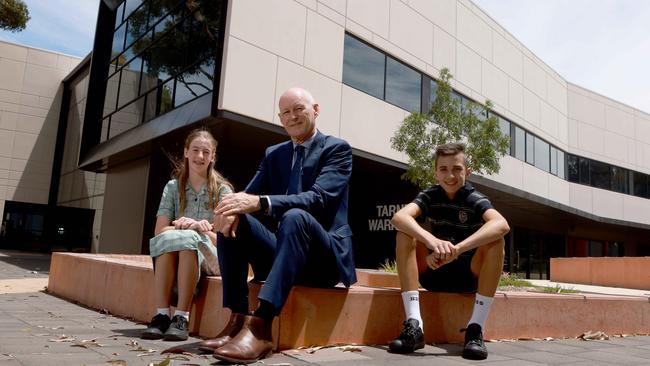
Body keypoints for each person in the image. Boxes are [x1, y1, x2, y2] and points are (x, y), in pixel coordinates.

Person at [199, 87, 356, 363]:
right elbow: (247, 198)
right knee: (235, 219)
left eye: (299, 109)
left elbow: (318, 198)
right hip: (284, 254)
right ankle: (237, 320)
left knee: (295, 216)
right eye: (286, 112)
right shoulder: (274, 154)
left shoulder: (337, 149)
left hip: (323, 259)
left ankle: (261, 327)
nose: (293, 116)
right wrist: (229, 210)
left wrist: (260, 202)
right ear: (280, 118)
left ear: (315, 110)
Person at [388, 142, 509, 360]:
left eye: (457, 169)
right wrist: (432, 242)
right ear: (436, 172)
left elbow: (502, 224)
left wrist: (458, 249)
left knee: (496, 240)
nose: (450, 175)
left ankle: (475, 330)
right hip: (433, 271)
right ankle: (414, 325)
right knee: (404, 232)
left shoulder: (474, 198)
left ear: (467, 172)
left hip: (468, 276)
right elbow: (399, 217)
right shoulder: (430, 195)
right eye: (443, 169)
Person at [142, 129, 233, 341]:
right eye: (195, 150)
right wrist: (185, 227)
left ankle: (181, 317)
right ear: (186, 152)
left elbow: (226, 240)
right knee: (173, 241)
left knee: (185, 242)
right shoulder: (173, 188)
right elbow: (160, 231)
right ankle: (162, 315)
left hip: (215, 258)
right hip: (181, 250)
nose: (199, 156)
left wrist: (203, 229)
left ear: (213, 157)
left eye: (205, 152)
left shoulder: (223, 191)